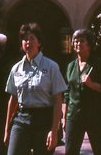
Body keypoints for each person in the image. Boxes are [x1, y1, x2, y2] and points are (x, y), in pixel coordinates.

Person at [4, 22, 67, 155]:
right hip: (21, 119)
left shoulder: (51, 67)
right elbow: (13, 99)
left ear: (39, 42)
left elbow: (57, 101)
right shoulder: (16, 69)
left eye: (32, 38)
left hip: (44, 120)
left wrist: (54, 131)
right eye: (25, 39)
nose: (28, 42)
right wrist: (7, 129)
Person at [63, 29, 101, 155]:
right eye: (75, 41)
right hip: (74, 116)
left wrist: (91, 84)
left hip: (95, 116)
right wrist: (64, 118)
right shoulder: (71, 66)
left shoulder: (99, 65)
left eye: (82, 41)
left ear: (89, 44)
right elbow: (67, 93)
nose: (78, 44)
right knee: (70, 151)